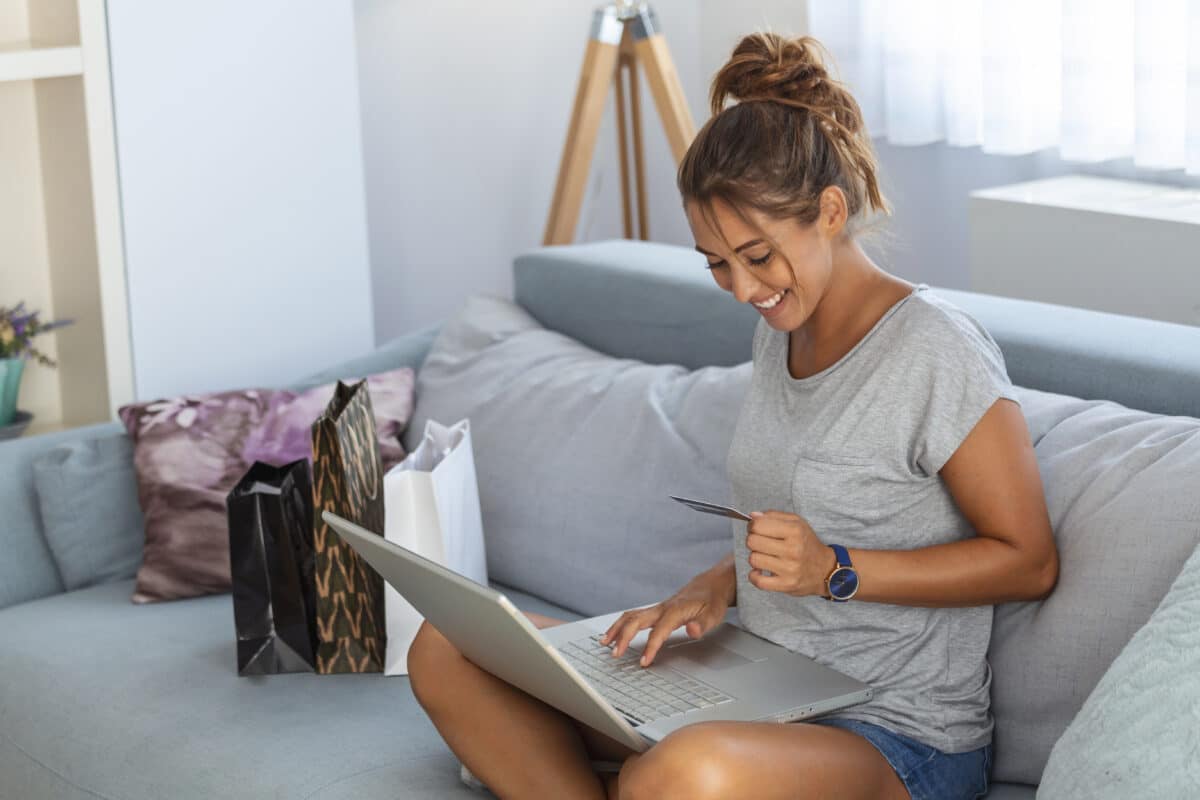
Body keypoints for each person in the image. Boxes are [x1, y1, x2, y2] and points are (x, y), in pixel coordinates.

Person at [407, 32, 1059, 800]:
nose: (744, 289)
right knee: (449, 644)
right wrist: (719, 581)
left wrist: (837, 571)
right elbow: (805, 516)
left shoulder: (937, 350)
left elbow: (1027, 560)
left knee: (682, 775)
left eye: (758, 255)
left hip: (896, 734)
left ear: (829, 211)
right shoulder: (781, 329)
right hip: (761, 691)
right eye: (717, 262)